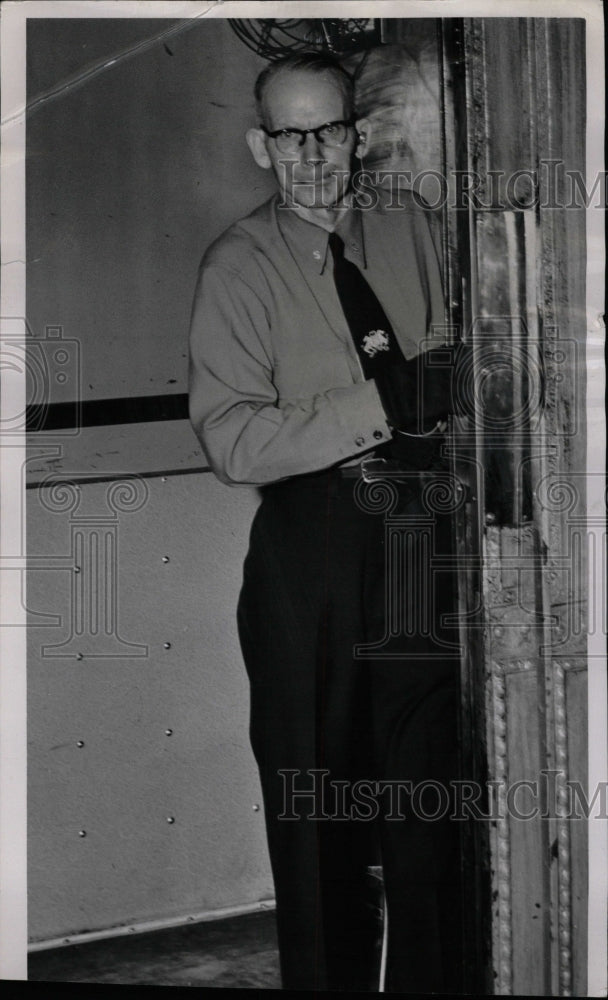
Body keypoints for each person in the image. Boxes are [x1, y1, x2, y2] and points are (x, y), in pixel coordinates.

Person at [189, 51, 464, 993]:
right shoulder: (237, 266)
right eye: (292, 137)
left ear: (358, 134)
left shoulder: (413, 227)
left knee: (433, 814)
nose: (315, 157)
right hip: (312, 554)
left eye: (331, 132)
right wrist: (381, 403)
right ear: (261, 147)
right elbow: (232, 442)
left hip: (419, 542)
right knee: (318, 820)